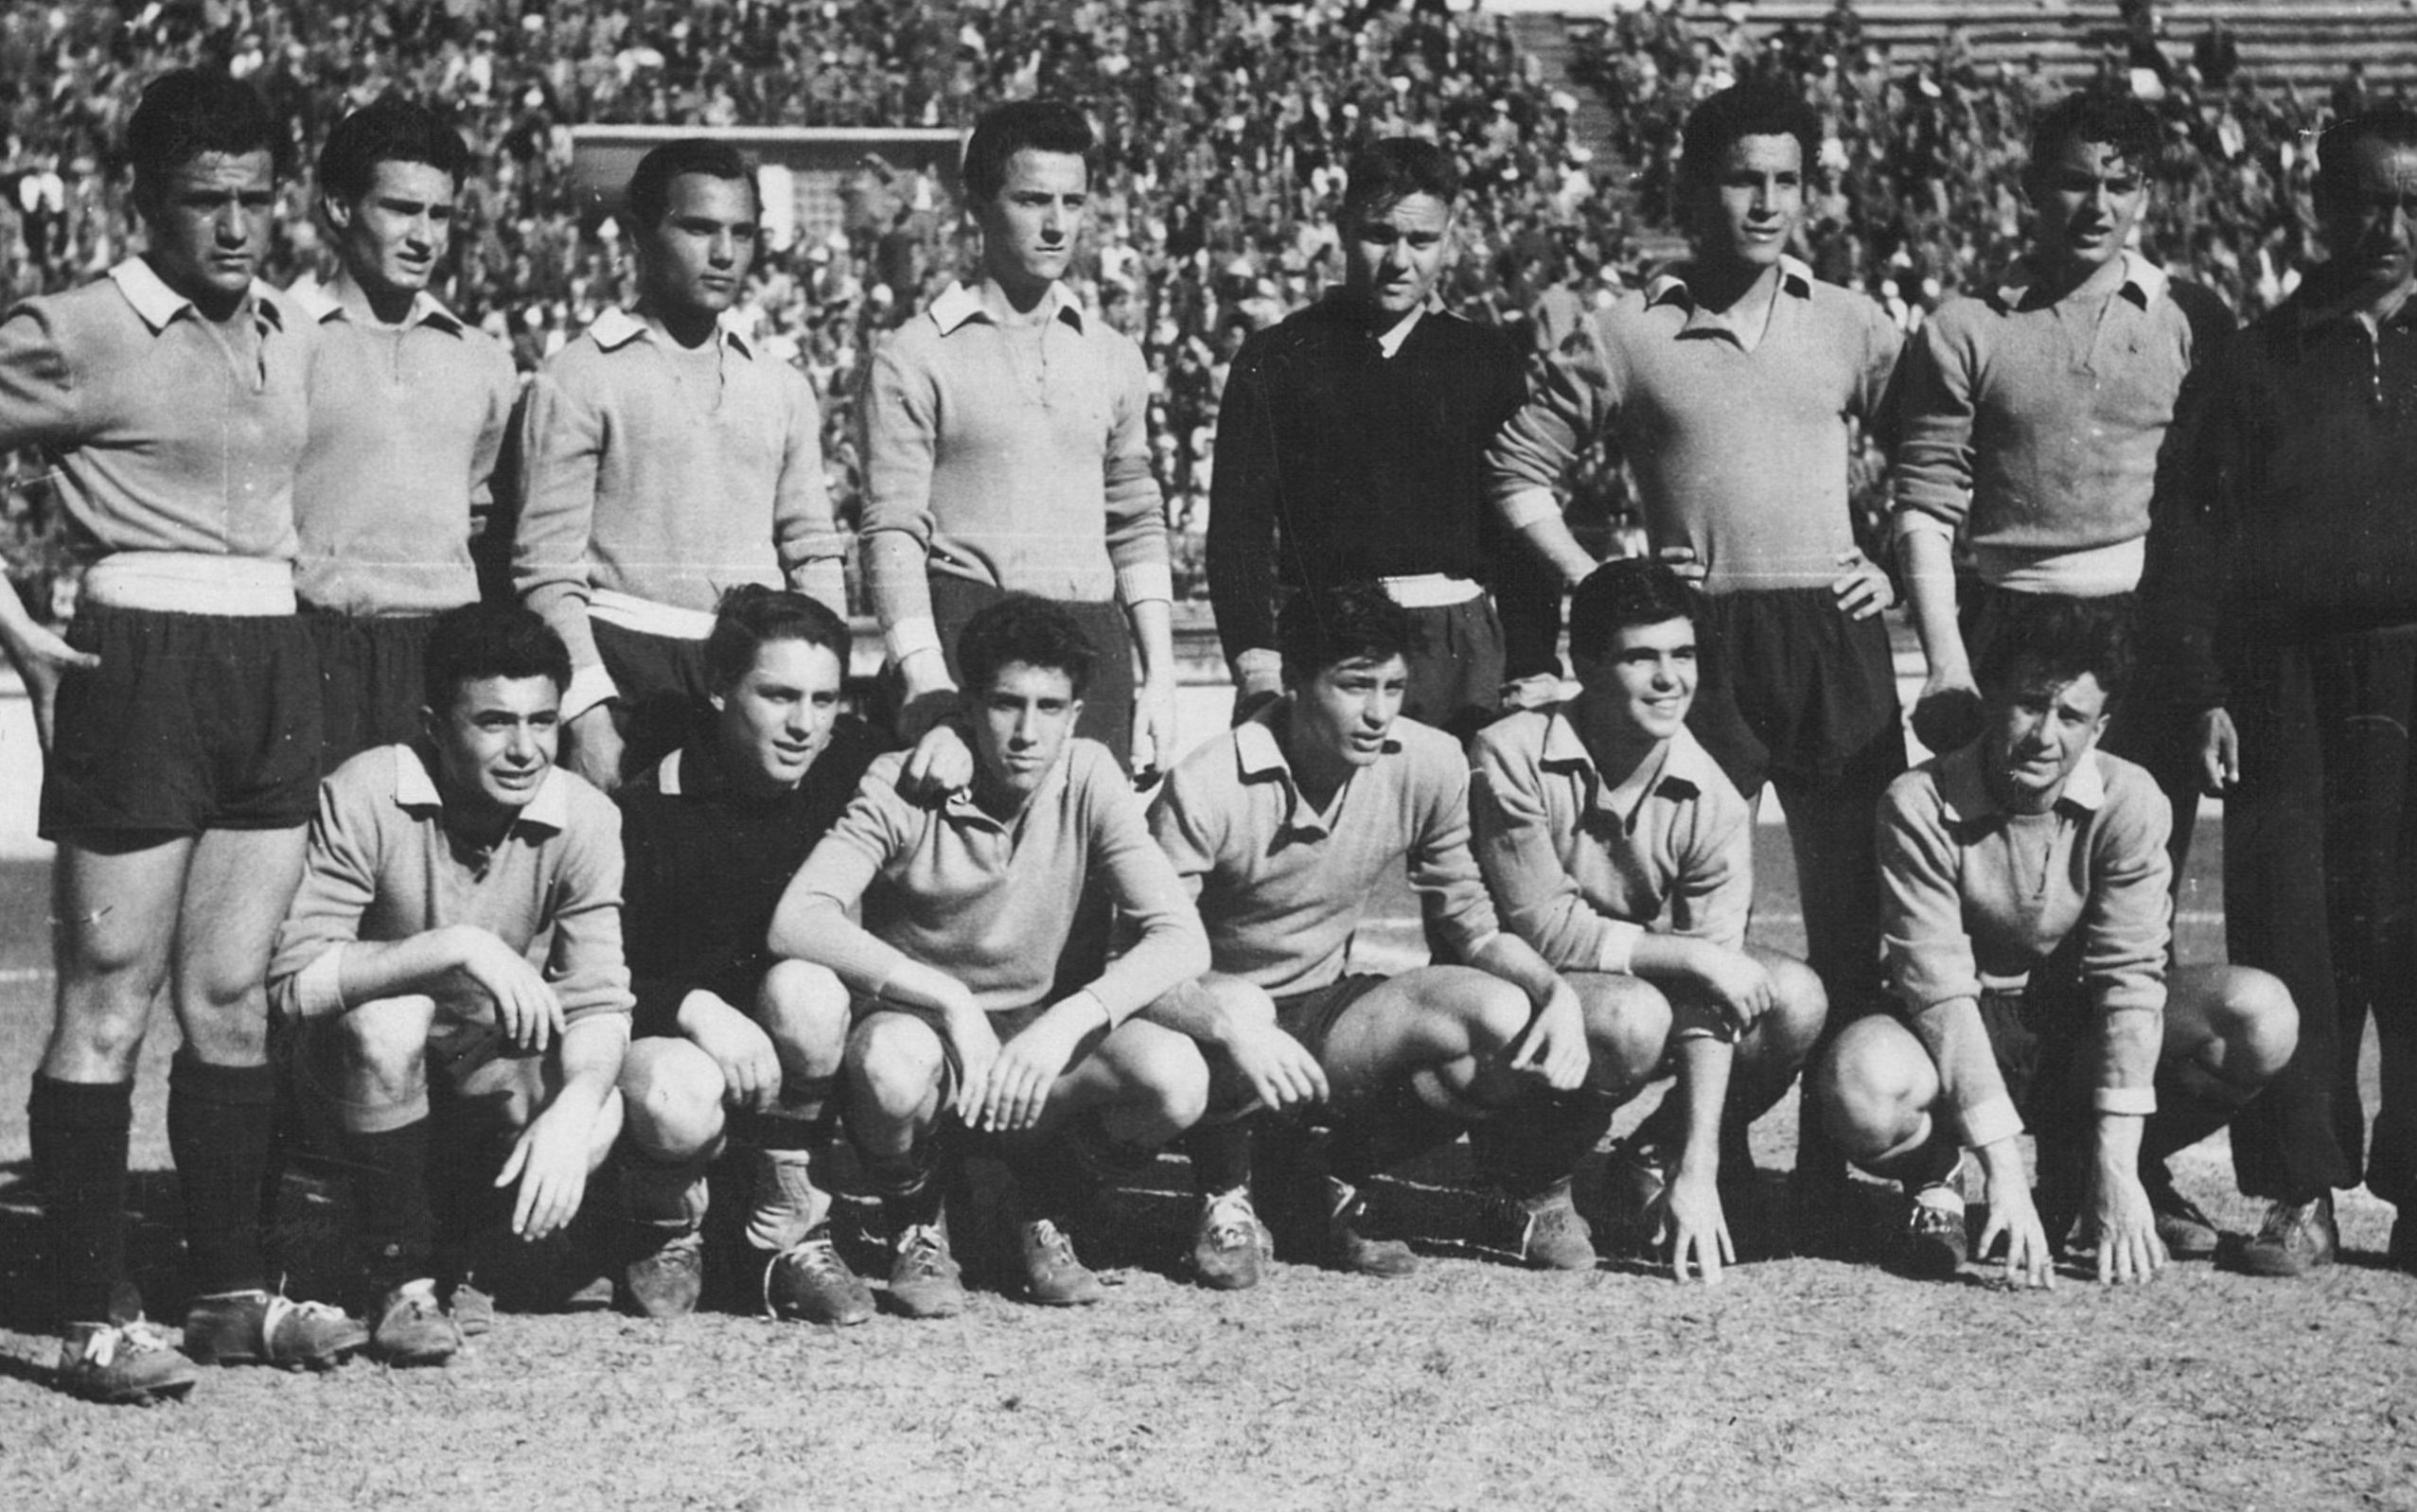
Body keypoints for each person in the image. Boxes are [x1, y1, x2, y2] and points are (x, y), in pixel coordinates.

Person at [0, 67, 357, 1402]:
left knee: (232, 998)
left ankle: (231, 1291)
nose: (234, 225)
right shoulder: (83, 325)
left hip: (271, 657)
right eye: (204, 199)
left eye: (255, 197)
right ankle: (90, 1312)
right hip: (139, 658)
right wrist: (8, 620)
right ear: (144, 199)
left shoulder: (292, 325)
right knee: (109, 996)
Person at [2145, 102, 2417, 1286]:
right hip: (2288, 680)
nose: (2387, 227)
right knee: (2293, 932)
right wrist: (2203, 689)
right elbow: (2189, 533)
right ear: (2319, 203)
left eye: (2413, 204)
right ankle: (2297, 1191)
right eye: (2364, 201)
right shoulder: (2256, 357)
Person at [1488, 79, 1906, 1208]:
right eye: (1740, 179)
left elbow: (1941, 444)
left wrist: (1896, 558)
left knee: (1855, 913)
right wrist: (1605, 588)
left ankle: (1827, 1167)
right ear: (1690, 189)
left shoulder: (1853, 321)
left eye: (1785, 181)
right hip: (1701, 642)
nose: (1763, 203)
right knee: (1699, 917)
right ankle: (1683, 1152)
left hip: (1834, 635)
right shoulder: (1629, 331)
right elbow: (1518, 473)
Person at [1145, 583, 1620, 1289]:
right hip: (1206, 1020)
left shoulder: (1427, 760)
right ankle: (1224, 1191)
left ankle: (1328, 1175)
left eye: (1392, 686)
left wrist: (1551, 992)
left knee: (1501, 1013)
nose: (1377, 711)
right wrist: (1229, 1025)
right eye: (1354, 685)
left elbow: (1470, 920)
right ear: (1295, 680)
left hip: (1321, 1008)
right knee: (1243, 1005)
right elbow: (1140, 962)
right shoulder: (1207, 782)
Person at [1816, 595, 2296, 1286]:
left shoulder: (2132, 799)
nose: (2044, 735)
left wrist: (2115, 1165)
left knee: (2259, 1015)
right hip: (1960, 1027)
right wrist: (2003, 1174)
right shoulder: (1916, 801)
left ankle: (2090, 1172)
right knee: (1858, 1082)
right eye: (2029, 704)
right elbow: (1939, 991)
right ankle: (1937, 1176)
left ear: (2099, 727)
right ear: (1992, 702)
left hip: (2072, 1028)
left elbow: (2129, 980)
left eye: (2070, 716)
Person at [770, 595, 1211, 1316]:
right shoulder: (903, 780)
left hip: (1033, 1042)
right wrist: (948, 1000)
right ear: (968, 706)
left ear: (1074, 714)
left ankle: (1039, 1207)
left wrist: (1065, 1021)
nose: (1027, 732)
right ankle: (917, 1220)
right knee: (886, 1063)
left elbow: (1180, 935)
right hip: (928, 1041)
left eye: (1049, 707)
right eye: (1006, 704)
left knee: (1175, 1076)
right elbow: (797, 918)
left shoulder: (1088, 773)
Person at [270, 604, 629, 1363]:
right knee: (391, 1019)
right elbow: (296, 982)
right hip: (346, 1080)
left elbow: (598, 998)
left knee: (600, 1101)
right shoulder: (367, 788)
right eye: (494, 722)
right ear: (434, 725)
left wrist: (576, 1102)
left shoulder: (586, 816)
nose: (524, 748)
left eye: (542, 721)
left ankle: (474, 1254)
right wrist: (455, 948)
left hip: (469, 1073)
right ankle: (398, 1277)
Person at [1889, 91, 2233, 882]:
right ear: (2031, 187)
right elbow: (1924, 502)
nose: (2097, 206)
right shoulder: (1963, 326)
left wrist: (2207, 675)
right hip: (2008, 620)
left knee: (2138, 870)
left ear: (2145, 193)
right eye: (2076, 181)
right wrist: (1946, 663)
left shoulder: (2190, 317)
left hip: (2145, 626)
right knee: (2002, 877)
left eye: (2120, 185)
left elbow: (2211, 511)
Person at [1470, 558, 1829, 1281]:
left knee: (1791, 997)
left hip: (1623, 979)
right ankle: (1530, 1177)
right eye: (1641, 657)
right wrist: (1691, 956)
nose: (1670, 679)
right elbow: (1539, 927)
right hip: (1513, 985)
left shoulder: (1713, 793)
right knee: (1632, 1015)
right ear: (1585, 664)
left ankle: (1651, 1157)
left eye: (1683, 654)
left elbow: (1713, 995)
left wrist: (1697, 1166)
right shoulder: (1509, 751)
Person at [859, 100, 1177, 795]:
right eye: (1032, 200)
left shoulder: (1112, 354)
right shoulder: (915, 354)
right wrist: (925, 679)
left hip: (1091, 643)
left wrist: (1160, 677)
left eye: (1073, 201)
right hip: (970, 644)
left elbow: (1136, 519)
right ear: (977, 206)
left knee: (1087, 855)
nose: (1057, 224)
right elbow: (891, 530)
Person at [513, 138, 846, 791]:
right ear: (640, 235)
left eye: (741, 233)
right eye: (698, 228)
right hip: (626, 669)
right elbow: (545, 567)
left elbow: (811, 547)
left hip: (755, 680)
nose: (724, 253)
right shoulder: (579, 375)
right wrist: (587, 714)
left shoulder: (780, 383)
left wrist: (820, 675)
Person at [1205, 136, 1559, 738]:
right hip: (1326, 641)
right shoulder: (1278, 356)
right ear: (1343, 228)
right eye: (1379, 235)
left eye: (1421, 240)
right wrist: (1255, 660)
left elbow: (1518, 523)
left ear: (1448, 238)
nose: (1399, 260)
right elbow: (1238, 529)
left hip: (1457, 650)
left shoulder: (1486, 359)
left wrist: (1534, 663)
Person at [608, 586, 891, 1326]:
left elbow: (948, 737)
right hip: (685, 1049)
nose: (803, 724)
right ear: (719, 688)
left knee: (808, 989)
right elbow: (597, 975)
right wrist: (693, 1007)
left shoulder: (851, 761)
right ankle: (667, 1222)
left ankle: (788, 1234)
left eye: (823, 699)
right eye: (777, 695)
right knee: (673, 1093)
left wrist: (948, 736)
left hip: (792, 1059)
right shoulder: (647, 806)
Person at [291, 97, 520, 766]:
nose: (424, 236)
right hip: (314, 645)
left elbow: (481, 515)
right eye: (400, 209)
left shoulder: (483, 359)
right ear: (340, 208)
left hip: (444, 655)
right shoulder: (280, 339)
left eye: (439, 214)